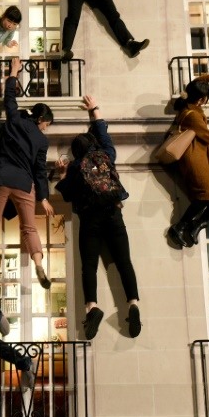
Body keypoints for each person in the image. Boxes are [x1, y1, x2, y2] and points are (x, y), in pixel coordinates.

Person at [54, 95, 141, 339]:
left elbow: (66, 194)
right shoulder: (107, 154)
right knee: (124, 263)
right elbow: (103, 133)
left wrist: (62, 173)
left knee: (89, 266)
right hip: (113, 214)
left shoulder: (75, 167)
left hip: (90, 220)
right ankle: (133, 304)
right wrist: (95, 110)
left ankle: (92, 307)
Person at [0, 57, 55, 289]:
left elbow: (9, 98)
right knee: (29, 228)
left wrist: (14, 72)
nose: (45, 128)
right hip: (23, 183)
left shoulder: (15, 119)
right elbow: (40, 170)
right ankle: (39, 265)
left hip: (0, 177)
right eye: (47, 124)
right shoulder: (42, 141)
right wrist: (44, 197)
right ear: (41, 119)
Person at [164, 75, 209, 249]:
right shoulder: (192, 114)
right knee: (207, 194)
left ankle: (197, 223)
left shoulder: (190, 102)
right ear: (202, 99)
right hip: (194, 156)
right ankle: (179, 227)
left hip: (204, 155)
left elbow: (195, 82)